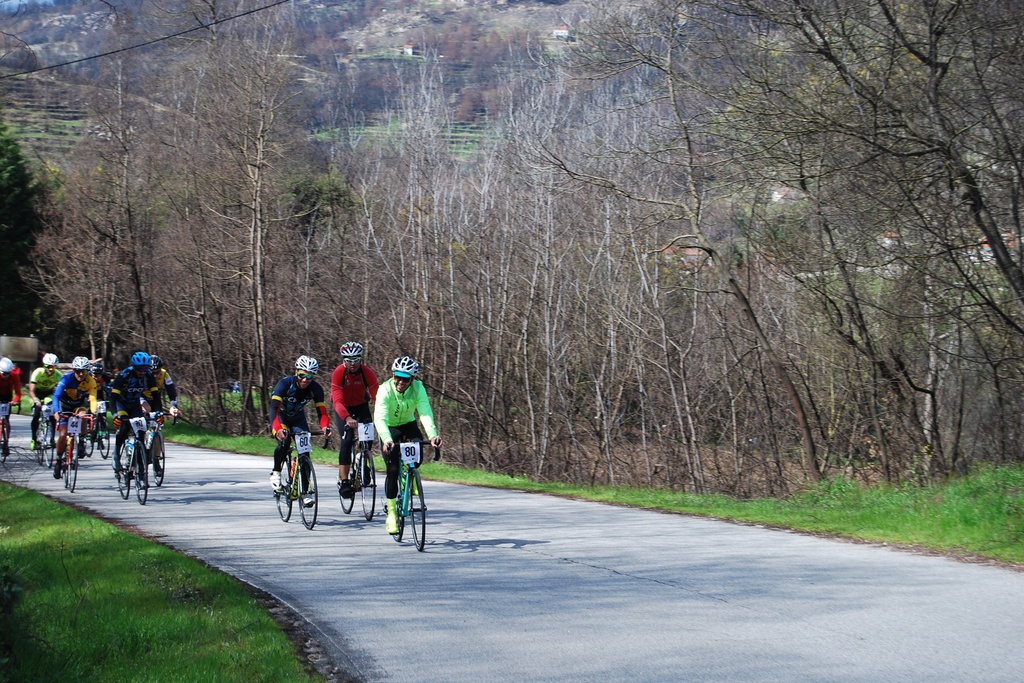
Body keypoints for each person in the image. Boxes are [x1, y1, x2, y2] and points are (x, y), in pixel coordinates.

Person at [373, 356, 443, 535]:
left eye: (405, 378)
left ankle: (409, 476)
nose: (400, 382)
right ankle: (391, 513)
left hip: (408, 425)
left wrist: (433, 435)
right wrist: (387, 439)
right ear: (392, 375)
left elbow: (425, 413)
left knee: (417, 456)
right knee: (393, 469)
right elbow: (380, 418)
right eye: (397, 377)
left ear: (412, 379)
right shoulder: (385, 389)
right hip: (389, 428)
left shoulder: (418, 389)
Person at [268, 355, 332, 497]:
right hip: (281, 416)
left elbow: (322, 412)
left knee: (304, 452)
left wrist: (325, 427)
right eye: (302, 375)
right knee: (284, 441)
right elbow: (274, 409)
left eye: (309, 377)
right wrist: (278, 429)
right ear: (296, 372)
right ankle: (276, 472)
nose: (305, 380)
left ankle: (305, 491)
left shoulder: (316, 389)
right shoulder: (285, 384)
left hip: (298, 418)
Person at [330, 341, 379, 499]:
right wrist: (347, 418)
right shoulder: (339, 373)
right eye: (349, 360)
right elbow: (337, 401)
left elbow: (377, 396)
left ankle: (362, 460)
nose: (353, 363)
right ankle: (344, 481)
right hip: (343, 409)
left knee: (368, 435)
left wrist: (381, 416)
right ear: (344, 360)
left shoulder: (367, 372)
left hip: (360, 406)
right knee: (347, 439)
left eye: (356, 359)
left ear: (361, 359)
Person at [110, 351, 159, 478]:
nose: (143, 372)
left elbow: (156, 396)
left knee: (141, 434)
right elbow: (113, 398)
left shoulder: (148, 376)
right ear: (134, 367)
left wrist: (158, 412)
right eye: (140, 369)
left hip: (135, 404)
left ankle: (138, 467)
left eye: (146, 368)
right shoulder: (124, 375)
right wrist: (115, 415)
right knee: (125, 427)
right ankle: (116, 454)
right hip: (121, 403)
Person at [51, 356, 99, 479]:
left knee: (83, 415)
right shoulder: (66, 379)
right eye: (78, 371)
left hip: (79, 404)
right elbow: (56, 396)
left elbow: (93, 399)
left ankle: (82, 440)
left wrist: (94, 413)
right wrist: (56, 411)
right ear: (74, 370)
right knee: (62, 435)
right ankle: (58, 458)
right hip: (64, 404)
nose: (81, 374)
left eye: (84, 371)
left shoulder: (90, 381)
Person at [28, 353, 61, 450]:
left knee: (52, 413)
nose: (51, 369)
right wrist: (35, 400)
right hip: (36, 393)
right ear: (44, 366)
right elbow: (31, 390)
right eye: (49, 367)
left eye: (53, 367)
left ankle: (51, 439)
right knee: (36, 414)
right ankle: (34, 439)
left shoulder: (58, 374)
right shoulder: (38, 372)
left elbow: (64, 387)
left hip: (48, 394)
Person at [0, 357, 22, 458]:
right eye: (4, 374)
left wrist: (15, 401)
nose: (6, 376)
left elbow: (18, 392)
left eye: (8, 373)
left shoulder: (14, 375)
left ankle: (6, 443)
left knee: (6, 421)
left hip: (7, 397)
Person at [149, 355, 182, 420]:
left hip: (155, 400)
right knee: (146, 411)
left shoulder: (164, 374)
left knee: (158, 423)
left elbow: (172, 393)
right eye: (152, 373)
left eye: (157, 372)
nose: (155, 375)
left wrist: (173, 407)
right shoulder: (143, 375)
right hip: (142, 399)